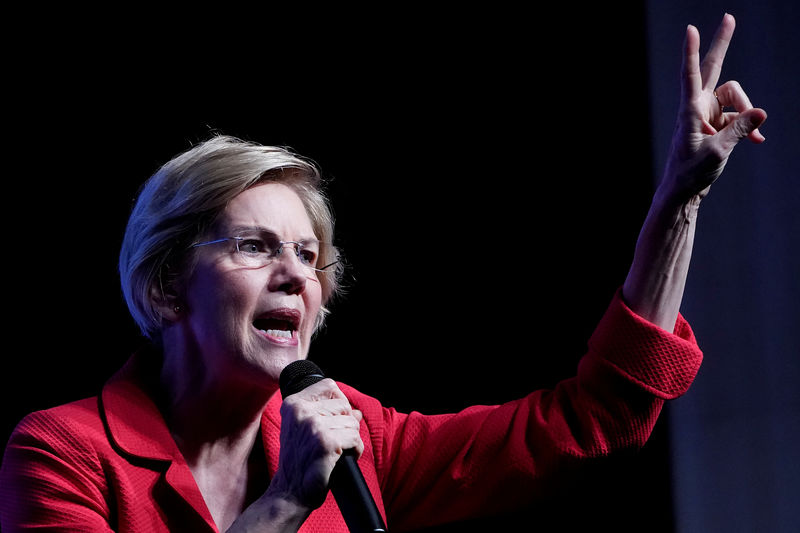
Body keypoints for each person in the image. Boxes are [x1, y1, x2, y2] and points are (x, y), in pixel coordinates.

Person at [0, 13, 766, 532]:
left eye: (308, 254)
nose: (296, 275)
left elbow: (589, 419)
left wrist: (680, 200)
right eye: (255, 246)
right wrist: (284, 501)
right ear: (167, 284)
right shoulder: (64, 452)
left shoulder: (354, 434)